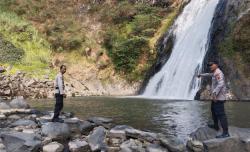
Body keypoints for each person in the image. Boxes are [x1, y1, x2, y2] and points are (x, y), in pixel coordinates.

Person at [198, 61, 230, 138]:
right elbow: (209, 74)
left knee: (221, 115)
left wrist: (214, 93)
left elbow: (221, 84)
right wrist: (201, 75)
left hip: (218, 97)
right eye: (209, 65)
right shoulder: (215, 72)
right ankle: (216, 126)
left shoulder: (218, 73)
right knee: (213, 111)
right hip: (215, 97)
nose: (210, 66)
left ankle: (226, 133)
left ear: (216, 65)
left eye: (212, 65)